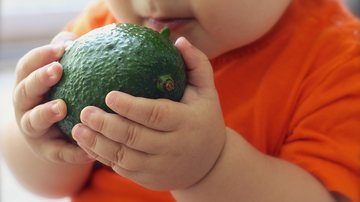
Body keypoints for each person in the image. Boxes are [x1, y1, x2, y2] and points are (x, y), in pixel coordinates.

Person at [1, 0, 359, 201]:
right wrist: (40, 129)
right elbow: (49, 185)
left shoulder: (340, 62)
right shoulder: (103, 30)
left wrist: (210, 168)